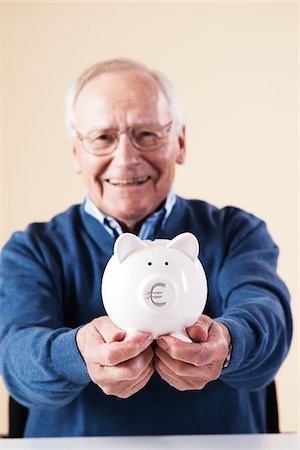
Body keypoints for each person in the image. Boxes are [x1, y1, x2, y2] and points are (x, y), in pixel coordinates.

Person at [0, 59, 292, 437]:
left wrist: (227, 343)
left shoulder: (235, 233)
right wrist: (78, 354)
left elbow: (268, 318)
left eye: (147, 134)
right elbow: (17, 358)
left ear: (180, 143)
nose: (126, 157)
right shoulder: (34, 250)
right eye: (103, 137)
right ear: (76, 153)